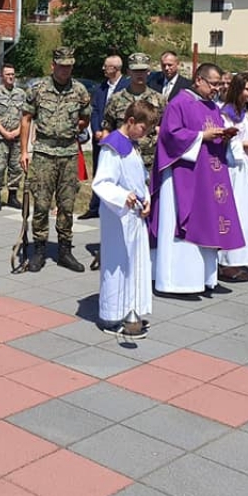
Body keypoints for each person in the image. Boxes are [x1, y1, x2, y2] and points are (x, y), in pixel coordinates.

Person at [150, 62, 243, 296]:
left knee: (207, 222)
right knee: (183, 225)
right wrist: (202, 136)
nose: (216, 89)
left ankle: (204, 278)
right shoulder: (180, 103)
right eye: (213, 84)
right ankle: (176, 281)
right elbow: (170, 136)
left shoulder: (212, 106)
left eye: (219, 85)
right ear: (199, 79)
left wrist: (225, 136)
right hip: (184, 177)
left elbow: (215, 132)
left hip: (209, 176)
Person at [20, 47, 92, 273]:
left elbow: (85, 118)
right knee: (41, 204)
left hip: (69, 154)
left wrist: (70, 128)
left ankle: (64, 250)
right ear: (53, 66)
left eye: (69, 66)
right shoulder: (38, 89)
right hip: (43, 153)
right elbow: (26, 119)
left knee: (67, 205)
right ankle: (39, 250)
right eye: (61, 66)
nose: (65, 70)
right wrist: (24, 151)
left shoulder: (80, 90)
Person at [91, 100, 158, 336]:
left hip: (134, 215)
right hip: (117, 217)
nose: (146, 134)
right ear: (131, 121)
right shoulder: (113, 146)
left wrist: (145, 198)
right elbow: (102, 182)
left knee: (133, 264)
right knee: (117, 264)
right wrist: (123, 196)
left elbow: (137, 177)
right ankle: (111, 316)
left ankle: (131, 309)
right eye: (144, 129)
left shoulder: (131, 143)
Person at [217, 73, 248, 281]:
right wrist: (243, 144)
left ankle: (240, 257)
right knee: (233, 214)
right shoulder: (225, 113)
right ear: (237, 90)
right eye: (247, 89)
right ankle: (226, 262)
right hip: (232, 170)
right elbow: (224, 140)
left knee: (247, 215)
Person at [81, 55, 129, 219]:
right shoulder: (102, 87)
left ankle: (112, 206)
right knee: (99, 171)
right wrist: (96, 130)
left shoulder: (126, 86)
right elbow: (94, 110)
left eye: (106, 66)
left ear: (115, 69)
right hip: (100, 138)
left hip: (117, 138)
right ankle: (95, 206)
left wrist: (111, 133)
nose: (103, 68)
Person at [102, 53, 165, 177]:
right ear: (128, 72)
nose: (139, 74)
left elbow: (166, 128)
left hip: (150, 164)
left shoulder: (159, 100)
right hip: (122, 160)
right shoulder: (116, 99)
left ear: (148, 72)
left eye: (142, 70)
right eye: (135, 71)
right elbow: (107, 128)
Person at [0, 63, 26, 210]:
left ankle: (12, 196)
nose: (11, 77)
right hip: (0, 137)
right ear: (1, 76)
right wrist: (4, 132)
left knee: (16, 167)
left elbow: (26, 116)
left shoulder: (21, 94)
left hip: (16, 137)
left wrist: (17, 131)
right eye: (8, 74)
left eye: (13, 74)